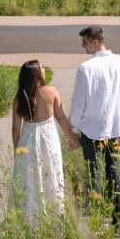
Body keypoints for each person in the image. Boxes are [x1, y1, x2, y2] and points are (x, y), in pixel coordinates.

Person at [69, 25, 120, 224]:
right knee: (115, 171)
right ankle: (119, 217)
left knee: (93, 172)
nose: (83, 47)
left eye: (85, 43)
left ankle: (95, 216)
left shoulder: (86, 68)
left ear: (94, 42)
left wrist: (73, 129)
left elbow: (78, 103)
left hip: (91, 129)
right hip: (115, 128)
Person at [11, 59, 80, 220]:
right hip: (48, 139)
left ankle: (28, 217)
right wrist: (73, 139)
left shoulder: (20, 97)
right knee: (51, 172)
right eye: (41, 68)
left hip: (27, 140)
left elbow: (15, 127)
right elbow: (61, 118)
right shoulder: (52, 92)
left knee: (28, 176)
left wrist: (17, 150)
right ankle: (53, 216)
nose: (44, 69)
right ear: (36, 74)